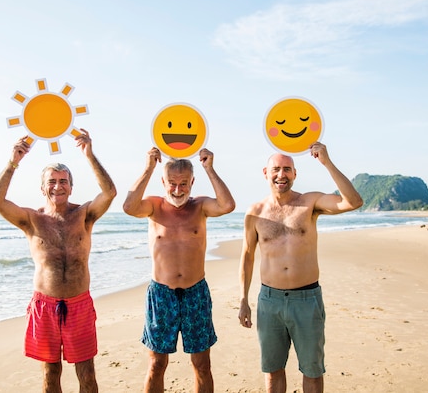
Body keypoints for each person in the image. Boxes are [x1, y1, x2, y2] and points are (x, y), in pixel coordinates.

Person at [0, 130, 116, 393]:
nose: (58, 186)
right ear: (42, 187)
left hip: (79, 304)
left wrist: (90, 155)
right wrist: (13, 162)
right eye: (52, 181)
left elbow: (110, 192)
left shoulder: (84, 215)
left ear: (71, 186)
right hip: (45, 307)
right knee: (50, 374)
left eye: (63, 181)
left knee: (87, 374)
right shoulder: (31, 219)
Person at [238, 142, 363, 393]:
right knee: (273, 370)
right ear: (265, 173)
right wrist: (243, 299)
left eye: (287, 169)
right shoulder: (255, 212)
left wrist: (326, 161)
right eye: (276, 169)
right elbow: (248, 256)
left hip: (306, 299)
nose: (281, 175)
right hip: (269, 301)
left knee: (312, 370)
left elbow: (353, 201)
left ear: (295, 174)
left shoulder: (310, 203)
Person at [123, 147, 236, 393]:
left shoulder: (201, 206)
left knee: (202, 363)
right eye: (172, 183)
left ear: (192, 182)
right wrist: (149, 167)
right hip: (161, 294)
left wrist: (209, 168)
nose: (177, 189)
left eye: (184, 183)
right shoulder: (153, 206)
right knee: (156, 363)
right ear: (163, 182)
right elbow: (129, 207)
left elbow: (227, 205)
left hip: (196, 293)